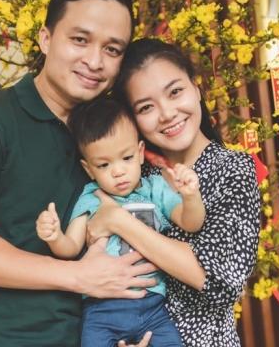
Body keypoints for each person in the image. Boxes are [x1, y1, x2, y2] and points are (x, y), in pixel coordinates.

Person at [0, 0, 158, 347]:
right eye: (80, 40)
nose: (94, 61)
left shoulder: (117, 134)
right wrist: (78, 276)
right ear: (46, 38)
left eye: (112, 50)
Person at [88, 38, 261, 347]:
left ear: (196, 88)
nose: (167, 113)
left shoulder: (232, 169)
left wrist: (119, 221)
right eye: (146, 107)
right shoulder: (130, 177)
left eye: (175, 92)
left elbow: (220, 280)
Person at [36, 97, 206, 346]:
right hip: (103, 309)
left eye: (126, 158)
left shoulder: (154, 189)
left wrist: (191, 197)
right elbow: (70, 248)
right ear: (89, 169)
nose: (118, 171)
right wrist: (54, 236)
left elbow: (191, 223)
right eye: (104, 164)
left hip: (153, 307)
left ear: (140, 153)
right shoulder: (91, 198)